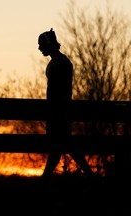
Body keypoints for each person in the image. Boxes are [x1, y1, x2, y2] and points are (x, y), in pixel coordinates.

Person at [38, 28, 94, 179]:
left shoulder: (62, 63)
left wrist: (61, 111)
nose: (39, 48)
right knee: (60, 147)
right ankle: (89, 176)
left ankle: (44, 181)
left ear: (49, 44)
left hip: (59, 111)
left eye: (41, 44)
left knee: (62, 146)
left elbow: (63, 90)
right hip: (56, 111)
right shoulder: (56, 62)